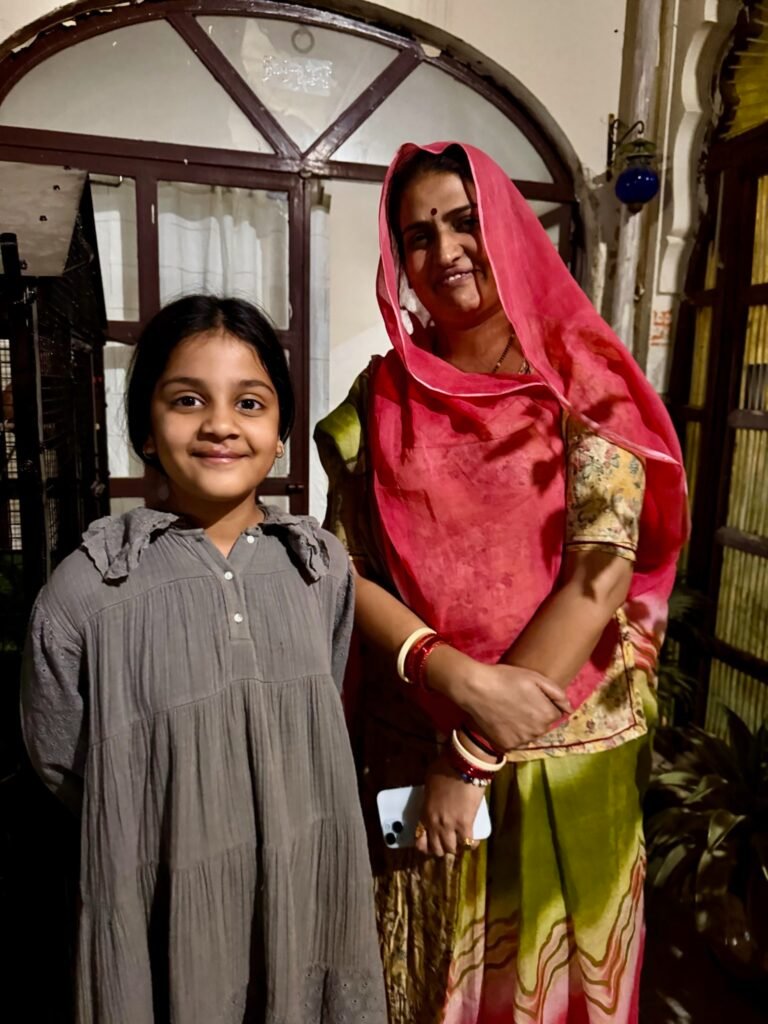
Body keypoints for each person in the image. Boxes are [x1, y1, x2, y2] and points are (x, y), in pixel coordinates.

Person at [315, 143, 688, 1024]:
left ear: (512, 231)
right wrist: (448, 674)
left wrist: (474, 757)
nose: (444, 251)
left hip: (561, 755)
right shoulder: (379, 399)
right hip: (415, 740)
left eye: (465, 221)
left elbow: (599, 577)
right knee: (418, 979)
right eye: (417, 235)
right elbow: (345, 566)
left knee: (545, 989)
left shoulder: (584, 384)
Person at [21, 295, 387, 1024]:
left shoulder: (321, 569)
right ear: (147, 430)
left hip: (305, 888)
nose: (220, 423)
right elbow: (60, 755)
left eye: (249, 402)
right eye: (187, 399)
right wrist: (167, 802)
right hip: (163, 901)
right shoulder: (89, 589)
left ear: (280, 431)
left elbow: (324, 704)